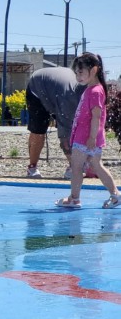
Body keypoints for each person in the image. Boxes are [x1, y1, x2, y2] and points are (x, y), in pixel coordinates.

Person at [54, 53, 120, 209]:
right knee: (97, 166)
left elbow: (96, 117)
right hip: (88, 137)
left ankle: (74, 198)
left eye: (81, 72)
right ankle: (115, 194)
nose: (78, 76)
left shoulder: (95, 91)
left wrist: (91, 137)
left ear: (94, 70)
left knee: (76, 167)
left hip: (86, 138)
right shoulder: (92, 90)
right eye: (76, 73)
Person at [25, 67, 86, 179]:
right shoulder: (69, 101)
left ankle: (75, 166)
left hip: (56, 89)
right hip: (37, 87)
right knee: (38, 131)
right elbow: (64, 137)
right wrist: (77, 165)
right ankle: (32, 167)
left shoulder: (91, 96)